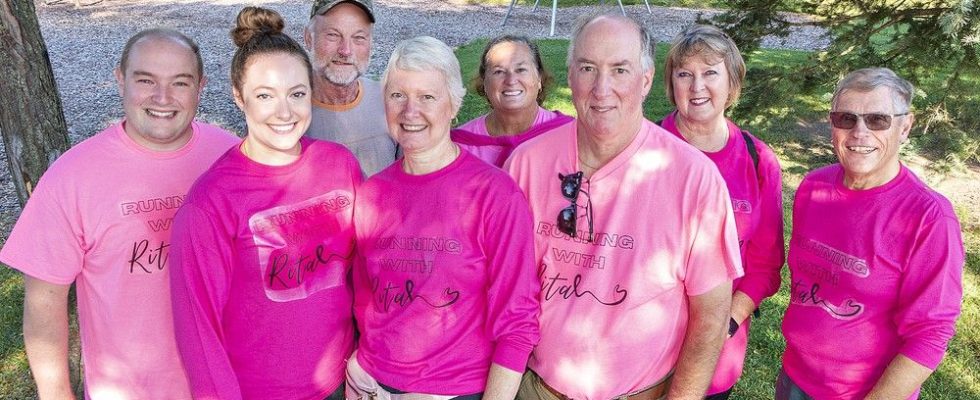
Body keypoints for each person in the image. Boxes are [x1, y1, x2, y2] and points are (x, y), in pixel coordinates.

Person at [505, 12, 743, 400]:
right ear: (570, 76)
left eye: (619, 70)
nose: (601, 88)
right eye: (587, 68)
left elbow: (711, 317)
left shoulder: (693, 179)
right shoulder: (526, 165)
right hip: (537, 387)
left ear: (646, 80)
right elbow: (506, 296)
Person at [0, 29, 238, 399]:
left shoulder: (230, 157)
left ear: (201, 87)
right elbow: (44, 302)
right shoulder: (72, 176)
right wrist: (56, 393)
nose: (162, 98)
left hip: (229, 380)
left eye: (180, 82)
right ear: (120, 79)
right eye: (146, 80)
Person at [168, 7, 360, 399]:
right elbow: (197, 332)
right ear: (239, 97)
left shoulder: (339, 164)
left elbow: (366, 270)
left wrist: (365, 357)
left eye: (297, 94)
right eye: (265, 96)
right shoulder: (211, 203)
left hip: (343, 382)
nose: (284, 112)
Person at [346, 36, 540, 400]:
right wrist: (359, 367)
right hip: (371, 384)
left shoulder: (494, 195)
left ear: (454, 104)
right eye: (397, 95)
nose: (409, 111)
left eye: (427, 97)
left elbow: (517, 322)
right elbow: (365, 299)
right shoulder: (372, 194)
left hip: (454, 390)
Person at [778, 67, 964, 400]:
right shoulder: (812, 187)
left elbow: (930, 334)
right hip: (795, 379)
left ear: (905, 126)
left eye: (877, 120)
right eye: (846, 119)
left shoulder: (929, 218)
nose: (859, 133)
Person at [658, 24, 784, 399]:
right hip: (643, 348)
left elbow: (764, 265)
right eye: (685, 74)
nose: (697, 87)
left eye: (710, 72)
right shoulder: (645, 149)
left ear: (731, 84)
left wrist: (723, 323)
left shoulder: (757, 159)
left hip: (715, 353)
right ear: (672, 85)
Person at [304, 0, 397, 176]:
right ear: (309, 38)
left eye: (359, 38)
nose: (345, 50)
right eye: (333, 35)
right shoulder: (286, 116)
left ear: (371, 44)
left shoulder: (390, 101)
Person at [452, 34, 573, 167]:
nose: (511, 80)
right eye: (499, 72)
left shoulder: (570, 135)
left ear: (539, 78)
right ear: (484, 83)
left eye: (521, 70)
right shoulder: (459, 147)